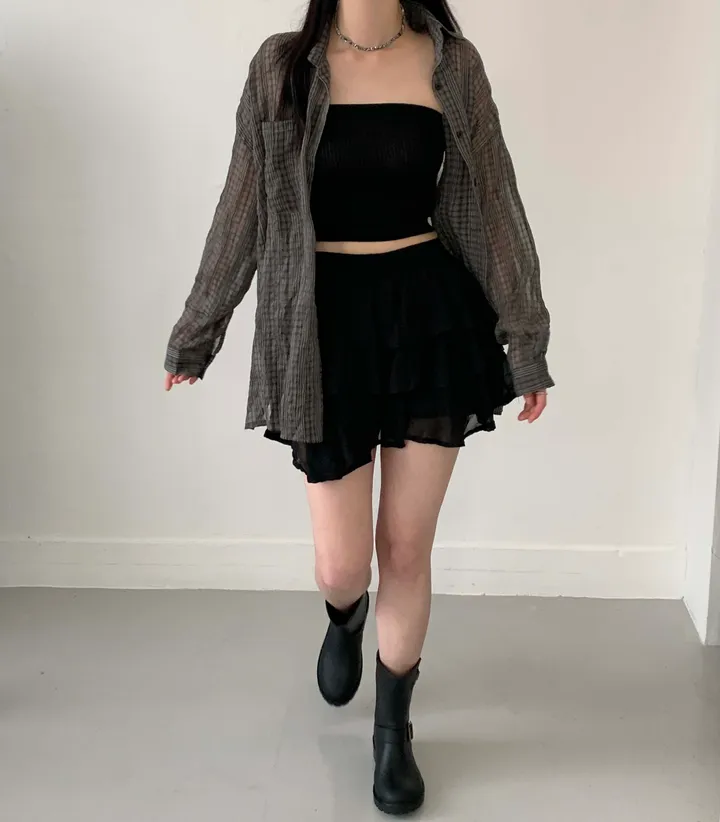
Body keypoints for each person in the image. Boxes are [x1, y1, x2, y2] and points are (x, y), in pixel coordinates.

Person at [164, 0, 552, 814]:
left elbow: (492, 203)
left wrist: (525, 340)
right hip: (322, 328)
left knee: (405, 549)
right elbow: (243, 206)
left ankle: (391, 731)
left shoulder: (452, 64)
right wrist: (198, 332)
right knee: (343, 564)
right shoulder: (281, 67)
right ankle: (345, 616)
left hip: (426, 317)